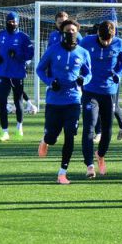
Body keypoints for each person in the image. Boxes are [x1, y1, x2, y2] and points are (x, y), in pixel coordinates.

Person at [36, 20, 92, 184]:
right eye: (68, 31)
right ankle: (45, 140)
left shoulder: (83, 53)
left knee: (70, 133)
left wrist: (84, 80)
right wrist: (49, 81)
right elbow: (40, 69)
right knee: (53, 137)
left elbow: (89, 74)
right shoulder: (53, 50)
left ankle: (62, 173)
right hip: (54, 100)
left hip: (73, 100)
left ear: (78, 33)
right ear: (62, 33)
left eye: (73, 31)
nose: (71, 33)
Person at [79, 20, 122, 178]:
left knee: (107, 130)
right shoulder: (86, 42)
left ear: (113, 35)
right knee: (89, 127)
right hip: (90, 91)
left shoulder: (119, 43)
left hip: (109, 93)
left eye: (109, 40)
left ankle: (100, 155)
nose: (106, 42)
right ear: (98, 35)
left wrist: (119, 74)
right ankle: (89, 165)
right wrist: (80, 74)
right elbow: (76, 56)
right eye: (103, 40)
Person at [0, 12, 34, 141]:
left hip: (17, 73)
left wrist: (16, 55)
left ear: (17, 22)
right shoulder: (1, 35)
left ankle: (19, 127)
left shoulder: (23, 37)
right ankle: (4, 131)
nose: (11, 23)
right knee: (2, 102)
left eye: (14, 21)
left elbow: (30, 55)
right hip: (3, 73)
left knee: (18, 101)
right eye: (9, 21)